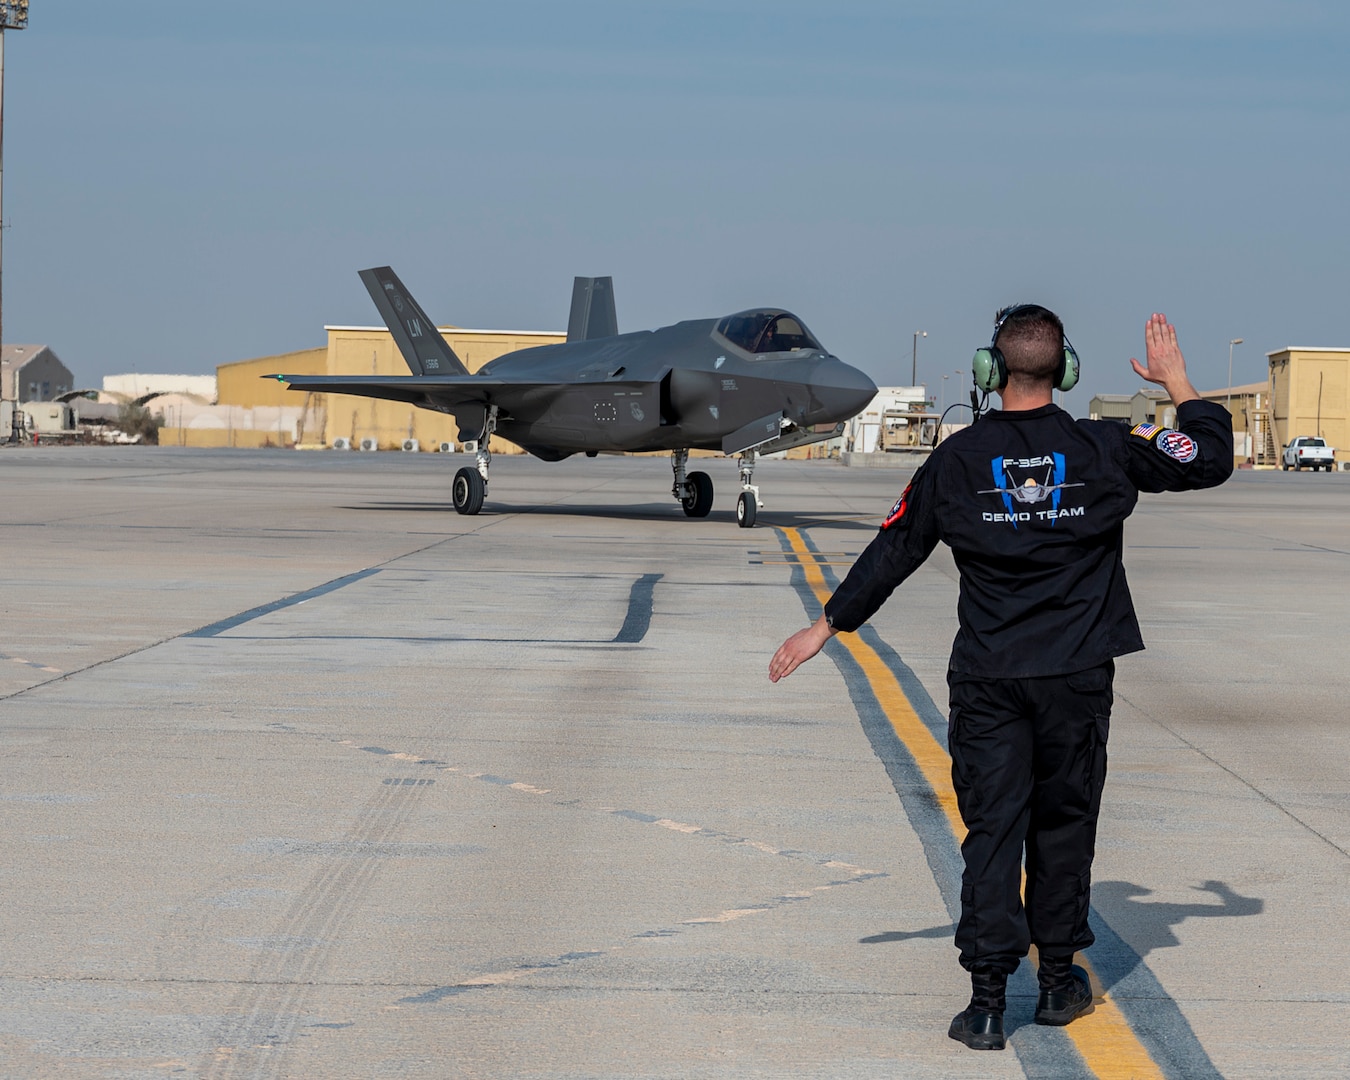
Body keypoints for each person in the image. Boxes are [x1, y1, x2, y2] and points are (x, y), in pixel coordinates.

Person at [768, 307, 1232, 1051]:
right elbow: (1207, 458)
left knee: (993, 833)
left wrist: (826, 624)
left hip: (987, 681)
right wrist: (1177, 381)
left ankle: (986, 1005)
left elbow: (896, 547)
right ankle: (1056, 983)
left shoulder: (955, 461)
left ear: (989, 371)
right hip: (1075, 679)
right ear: (1067, 369)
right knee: (1063, 825)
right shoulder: (1104, 445)